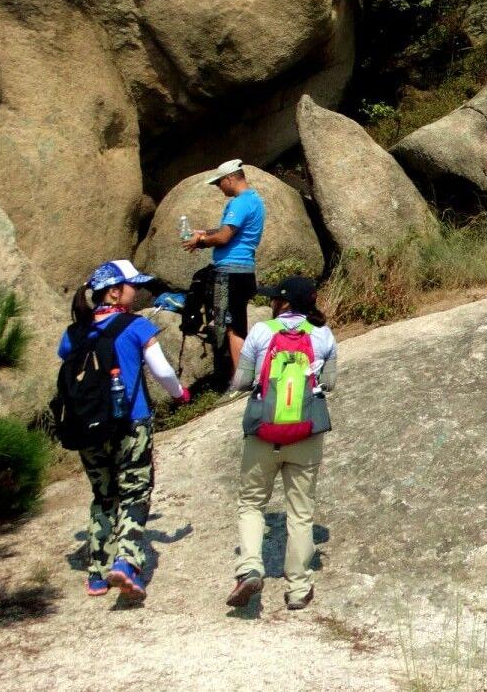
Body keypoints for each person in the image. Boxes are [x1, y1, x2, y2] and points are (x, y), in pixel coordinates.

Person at [55, 260, 189, 601]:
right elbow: (162, 371)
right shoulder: (135, 326)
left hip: (88, 428)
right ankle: (126, 561)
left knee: (104, 496)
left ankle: (97, 575)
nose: (137, 290)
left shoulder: (73, 333)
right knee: (134, 492)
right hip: (131, 423)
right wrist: (180, 393)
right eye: (133, 285)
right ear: (115, 291)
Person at [226, 275, 337, 613]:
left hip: (263, 432)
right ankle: (299, 589)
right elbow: (329, 384)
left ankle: (250, 568)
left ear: (283, 303)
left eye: (275, 298)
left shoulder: (261, 332)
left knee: (251, 504)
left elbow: (241, 381)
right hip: (305, 435)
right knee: (301, 515)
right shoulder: (323, 335)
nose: (271, 302)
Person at [184, 159, 266, 371]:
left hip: (230, 271)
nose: (219, 187)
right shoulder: (255, 200)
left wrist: (200, 241)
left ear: (230, 178)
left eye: (219, 182)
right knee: (236, 321)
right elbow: (227, 232)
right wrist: (204, 233)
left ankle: (241, 380)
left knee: (232, 326)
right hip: (245, 269)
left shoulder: (239, 203)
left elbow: (224, 238)